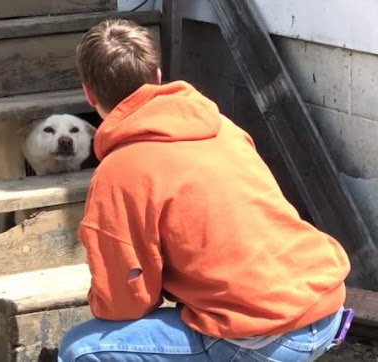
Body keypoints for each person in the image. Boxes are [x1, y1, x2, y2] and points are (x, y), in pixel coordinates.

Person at [58, 19, 351, 362]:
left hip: (264, 336)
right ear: (156, 78)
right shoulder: (223, 128)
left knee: (81, 349)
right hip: (324, 305)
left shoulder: (119, 171)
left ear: (88, 93)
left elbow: (124, 301)